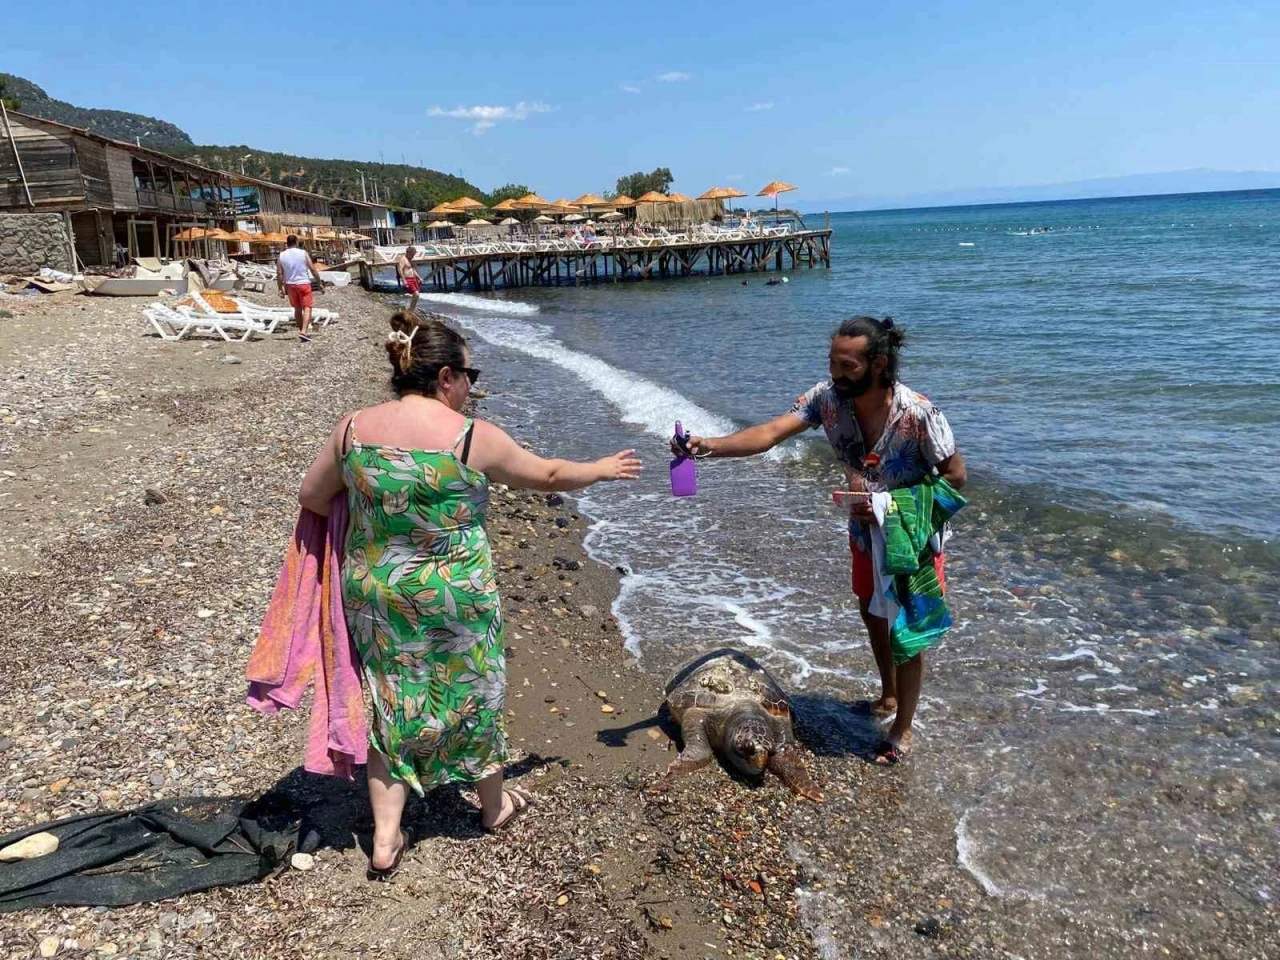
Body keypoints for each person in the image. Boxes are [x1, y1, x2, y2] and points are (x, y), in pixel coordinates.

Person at [299, 313, 641, 878]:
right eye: (470, 377)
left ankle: (384, 837)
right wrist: (601, 469)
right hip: (454, 592)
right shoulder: (468, 437)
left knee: (389, 698)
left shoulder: (353, 429)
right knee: (475, 692)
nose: (471, 389)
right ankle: (493, 807)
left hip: (376, 590)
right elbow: (548, 476)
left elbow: (313, 496)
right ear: (446, 378)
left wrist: (377, 514)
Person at [672, 316, 966, 765]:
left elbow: (956, 477)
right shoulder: (826, 400)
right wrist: (704, 446)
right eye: (832, 362)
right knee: (872, 612)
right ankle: (887, 697)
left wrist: (892, 505)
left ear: (878, 363)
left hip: (912, 536)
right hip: (865, 533)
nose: (836, 373)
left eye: (848, 366)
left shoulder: (920, 414)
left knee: (907, 630)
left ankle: (902, 729)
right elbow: (768, 435)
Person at [276, 235, 324, 342]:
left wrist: (280, 288)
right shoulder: (303, 253)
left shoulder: (281, 255)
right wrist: (319, 283)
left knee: (297, 308)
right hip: (303, 283)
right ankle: (304, 332)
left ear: (287, 243)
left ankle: (302, 331)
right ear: (296, 242)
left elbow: (279, 273)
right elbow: (312, 269)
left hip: (290, 285)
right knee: (307, 307)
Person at [396, 246, 420, 313]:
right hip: (408, 279)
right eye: (412, 255)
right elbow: (399, 269)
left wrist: (418, 277)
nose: (413, 256)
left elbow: (413, 270)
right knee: (416, 294)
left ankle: (411, 310)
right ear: (408, 253)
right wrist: (403, 280)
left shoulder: (410, 259)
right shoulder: (403, 259)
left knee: (416, 296)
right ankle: (410, 310)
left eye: (413, 255)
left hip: (413, 279)